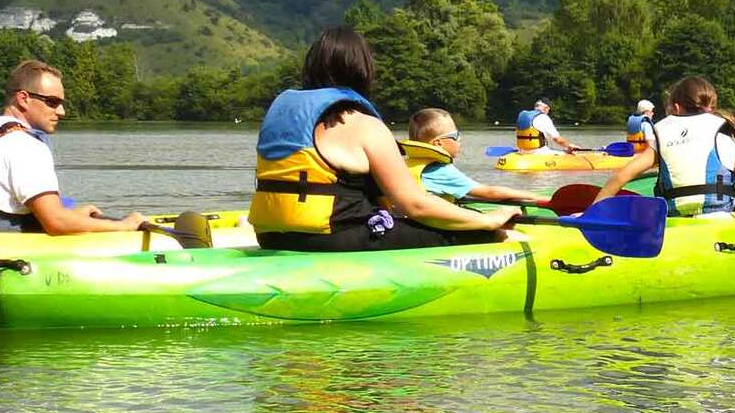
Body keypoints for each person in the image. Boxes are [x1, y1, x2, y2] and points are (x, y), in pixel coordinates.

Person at [249, 28, 517, 251]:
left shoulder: (282, 118)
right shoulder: (365, 125)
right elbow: (415, 205)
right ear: (363, 70)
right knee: (481, 237)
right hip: (332, 238)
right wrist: (488, 220)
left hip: (271, 235)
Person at [0, 59, 147, 234]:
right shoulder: (25, 146)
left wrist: (75, 216)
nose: (62, 111)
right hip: (12, 255)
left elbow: (10, 204)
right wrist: (124, 226)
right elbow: (56, 223)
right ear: (23, 98)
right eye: (52, 102)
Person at [595, 76, 735, 215]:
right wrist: (728, 199)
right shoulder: (727, 132)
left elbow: (622, 176)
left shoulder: (661, 131)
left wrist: (592, 212)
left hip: (673, 218)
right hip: (718, 217)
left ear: (676, 107)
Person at [405, 108, 545, 206]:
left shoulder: (405, 164)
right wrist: (534, 196)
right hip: (436, 229)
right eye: (455, 136)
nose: (460, 140)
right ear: (438, 143)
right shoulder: (440, 170)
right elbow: (489, 192)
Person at [514, 99, 580, 153]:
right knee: (567, 153)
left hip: (522, 151)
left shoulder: (522, 115)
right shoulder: (544, 117)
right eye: (549, 110)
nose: (548, 112)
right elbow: (557, 139)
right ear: (546, 108)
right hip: (538, 152)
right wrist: (569, 145)